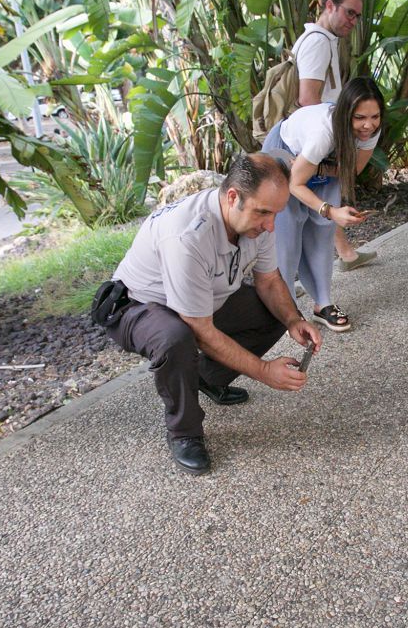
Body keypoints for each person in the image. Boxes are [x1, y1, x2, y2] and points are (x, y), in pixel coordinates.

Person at [106, 154, 323, 475]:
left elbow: (269, 279)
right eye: (263, 212)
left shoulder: (259, 218)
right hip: (136, 306)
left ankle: (205, 378)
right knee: (174, 338)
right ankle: (184, 432)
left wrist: (294, 320)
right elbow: (198, 329)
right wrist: (263, 371)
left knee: (273, 312)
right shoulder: (187, 236)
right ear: (233, 196)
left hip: (200, 298)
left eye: (276, 213)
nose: (270, 225)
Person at [262, 76, 385, 332]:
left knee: (322, 230)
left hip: (319, 163)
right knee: (288, 234)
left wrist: (317, 171)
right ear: (345, 114)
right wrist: (330, 209)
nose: (368, 125)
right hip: (285, 155)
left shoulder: (370, 131)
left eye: (375, 116)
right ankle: (286, 310)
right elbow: (295, 183)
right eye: (360, 117)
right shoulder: (323, 131)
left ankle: (323, 304)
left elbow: (351, 169)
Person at [294, 0, 377, 273]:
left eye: (357, 16)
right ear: (329, 5)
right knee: (314, 199)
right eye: (349, 13)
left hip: (324, 136)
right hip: (315, 138)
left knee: (321, 198)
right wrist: (330, 139)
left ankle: (345, 253)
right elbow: (308, 100)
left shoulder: (325, 39)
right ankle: (341, 256)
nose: (353, 21)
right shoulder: (317, 41)